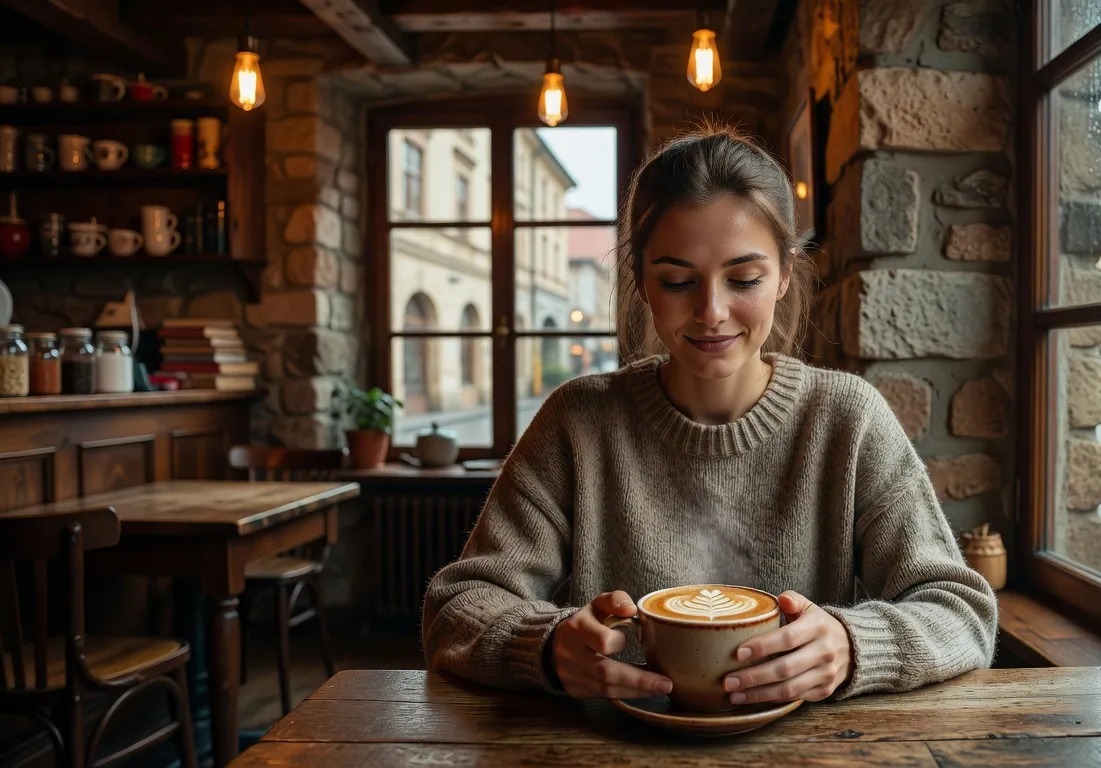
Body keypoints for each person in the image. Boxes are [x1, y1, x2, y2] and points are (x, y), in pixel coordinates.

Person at [423, 125, 997, 707]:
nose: (712, 312)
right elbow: (457, 607)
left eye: (744, 279)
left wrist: (853, 645)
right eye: (677, 281)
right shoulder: (579, 421)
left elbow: (962, 611)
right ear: (641, 282)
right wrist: (544, 647)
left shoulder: (848, 420)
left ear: (785, 276)